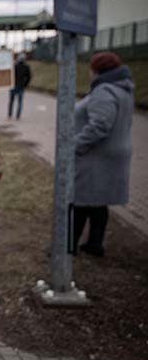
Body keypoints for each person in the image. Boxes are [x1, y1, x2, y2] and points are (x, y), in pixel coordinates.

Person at [73, 52, 134, 257]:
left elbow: (99, 125)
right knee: (98, 202)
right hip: (110, 155)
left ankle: (68, 245)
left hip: (95, 156)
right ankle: (94, 244)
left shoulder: (104, 91)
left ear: (97, 70)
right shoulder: (122, 90)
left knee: (79, 200)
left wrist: (75, 145)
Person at [8, 54, 31, 120]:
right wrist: (25, 85)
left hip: (13, 86)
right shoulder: (26, 67)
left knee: (11, 101)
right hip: (21, 86)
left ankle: (10, 115)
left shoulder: (14, 66)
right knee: (20, 102)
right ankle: (18, 116)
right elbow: (29, 77)